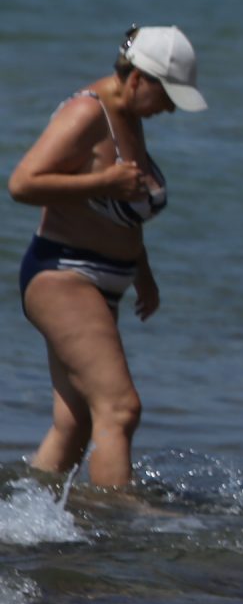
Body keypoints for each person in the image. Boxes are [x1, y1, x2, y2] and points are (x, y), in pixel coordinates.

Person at [8, 26, 207, 491]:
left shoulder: (129, 115)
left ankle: (27, 520)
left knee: (75, 423)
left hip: (104, 281)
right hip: (63, 277)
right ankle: (118, 532)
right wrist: (104, 184)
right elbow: (22, 183)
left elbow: (124, 213)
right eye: (168, 94)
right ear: (136, 78)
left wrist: (143, 271)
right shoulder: (85, 112)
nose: (172, 108)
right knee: (120, 408)